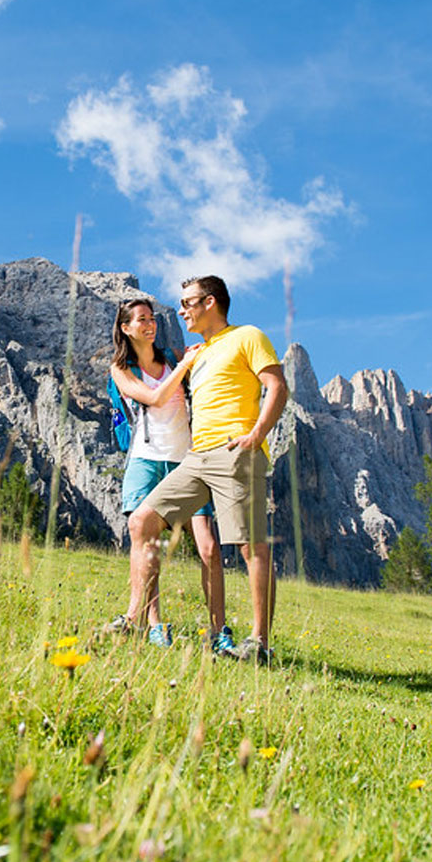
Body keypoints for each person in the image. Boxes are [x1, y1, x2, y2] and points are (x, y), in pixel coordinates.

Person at [126, 275, 288, 665]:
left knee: (249, 545)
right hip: (196, 458)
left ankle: (259, 643)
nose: (182, 311)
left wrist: (256, 435)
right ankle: (137, 619)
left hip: (235, 452)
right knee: (142, 521)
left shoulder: (248, 336)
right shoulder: (197, 354)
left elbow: (277, 386)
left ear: (210, 302)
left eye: (188, 303)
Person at [103, 298, 223, 646]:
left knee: (208, 546)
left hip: (186, 460)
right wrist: (184, 365)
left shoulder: (171, 358)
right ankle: (151, 622)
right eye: (141, 319)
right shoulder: (121, 369)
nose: (150, 324)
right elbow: (153, 398)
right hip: (145, 460)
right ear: (126, 328)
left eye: (152, 318)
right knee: (146, 540)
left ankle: (219, 632)